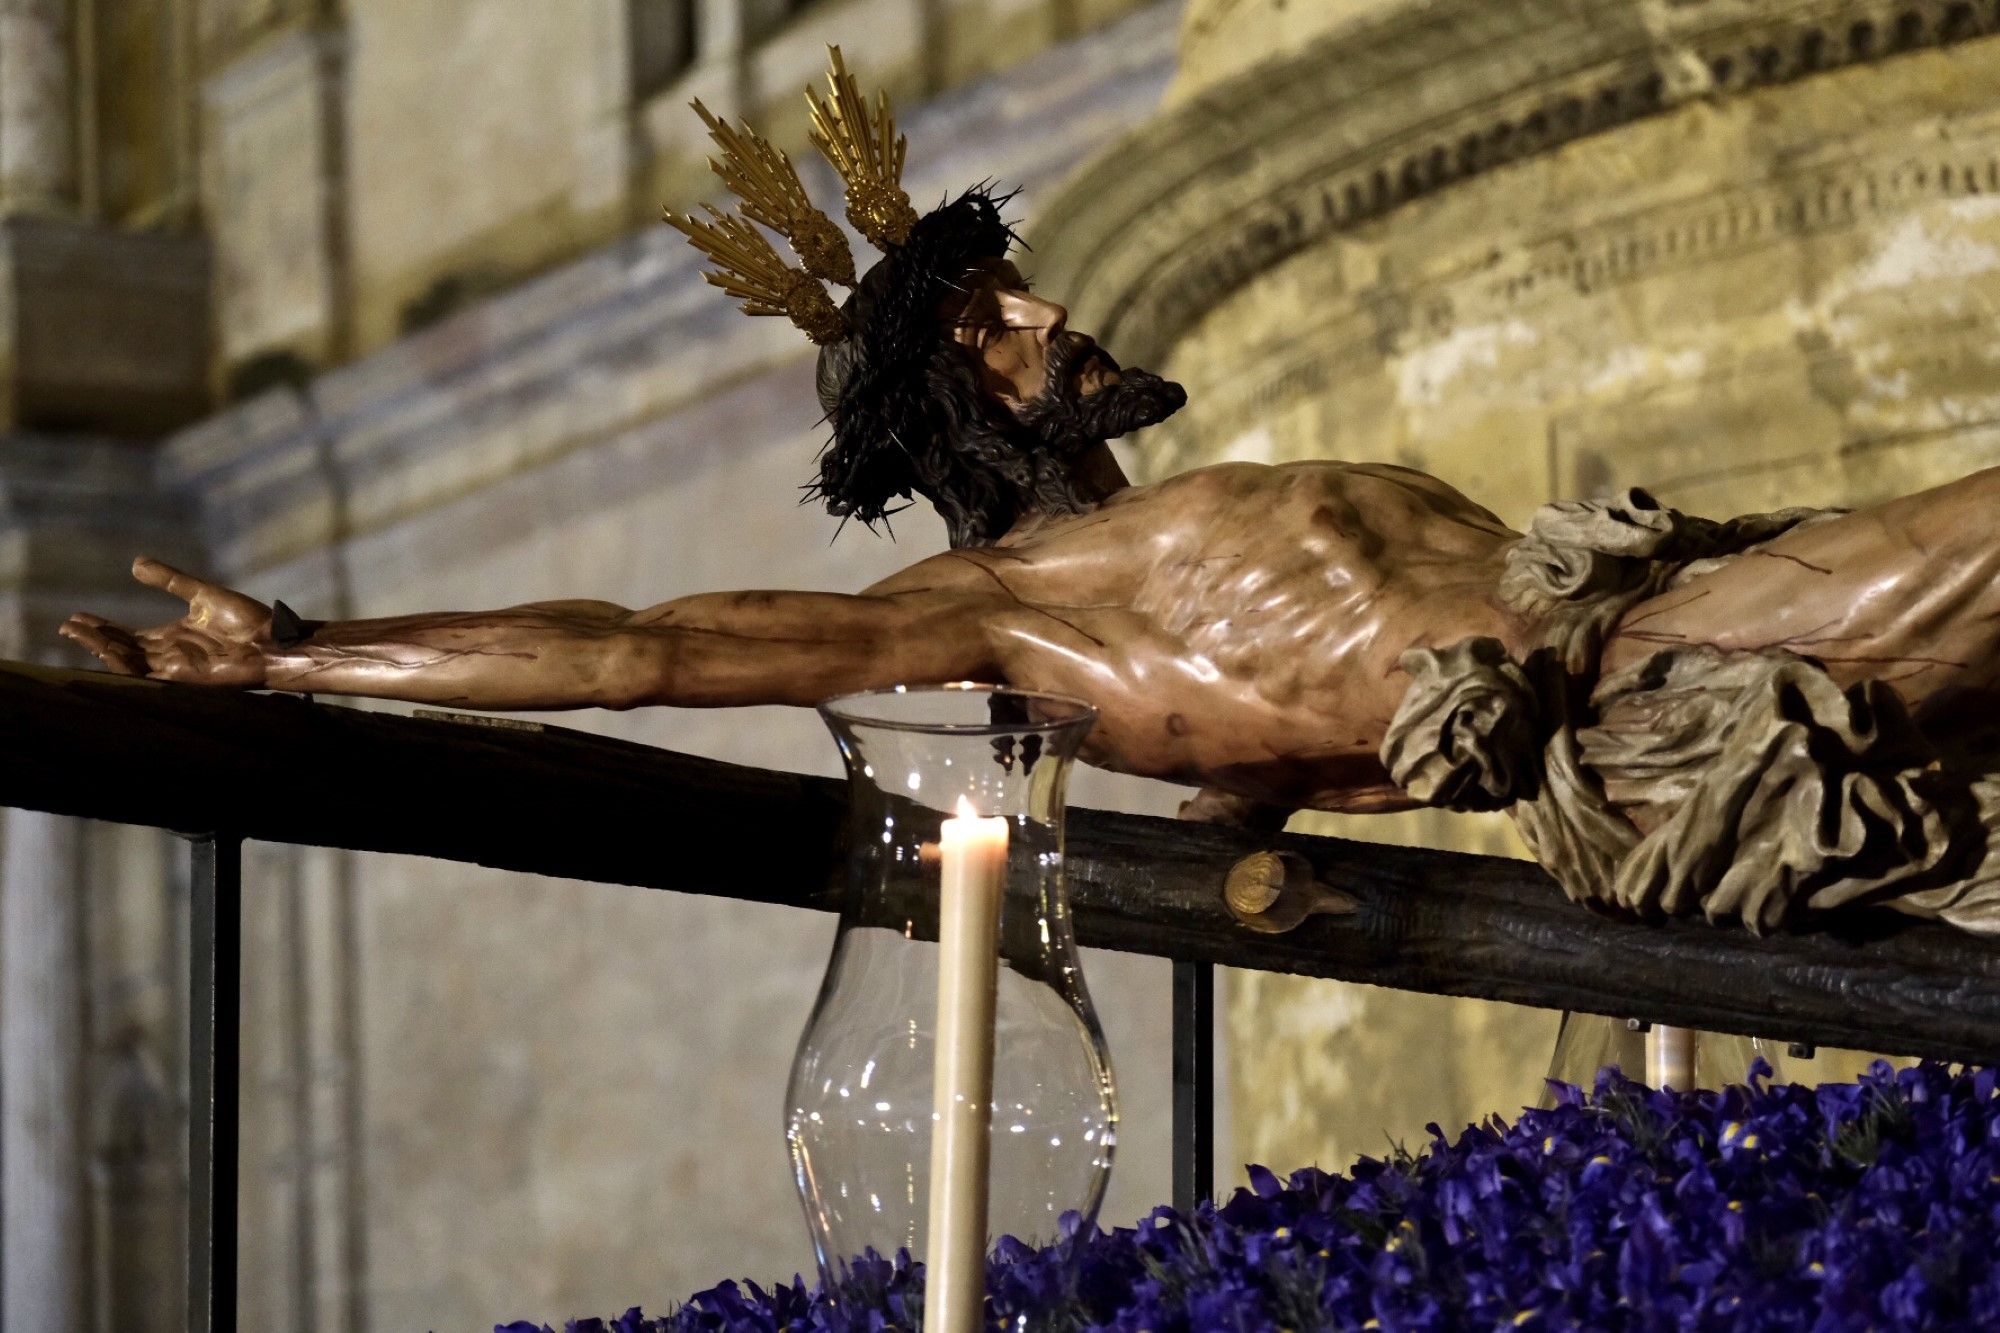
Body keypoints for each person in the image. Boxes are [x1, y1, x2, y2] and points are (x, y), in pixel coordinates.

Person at [57, 52, 2000, 928]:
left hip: (1690, 625)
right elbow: (643, 647)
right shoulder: (1011, 616)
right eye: (999, 319)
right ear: (944, 403)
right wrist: (308, 651)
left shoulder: (1177, 523)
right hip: (1690, 701)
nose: (1057, 315)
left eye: (1015, 287)